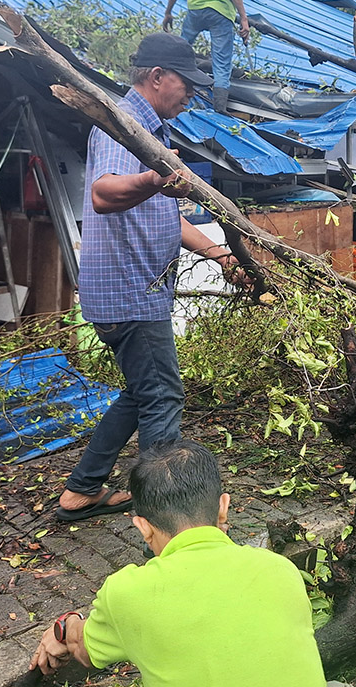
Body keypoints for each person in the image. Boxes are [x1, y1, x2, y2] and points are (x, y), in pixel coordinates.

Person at [58, 32, 243, 522]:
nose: (191, 94)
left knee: (141, 391)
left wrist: (218, 251)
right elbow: (103, 193)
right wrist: (156, 177)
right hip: (129, 292)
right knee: (162, 394)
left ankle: (83, 490)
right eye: (186, 83)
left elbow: (166, 216)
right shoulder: (123, 126)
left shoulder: (152, 132)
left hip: (133, 291)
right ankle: (164, 513)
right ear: (158, 77)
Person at [31, 440, 326, 687]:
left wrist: (64, 627)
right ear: (223, 506)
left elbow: (83, 651)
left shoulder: (127, 593)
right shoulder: (280, 569)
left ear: (142, 527)